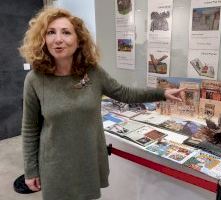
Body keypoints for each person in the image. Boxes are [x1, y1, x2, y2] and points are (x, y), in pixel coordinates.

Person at [19, 7, 184, 200]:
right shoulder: (35, 79)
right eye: (50, 32)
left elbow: (124, 93)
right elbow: (30, 128)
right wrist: (31, 170)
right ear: (43, 39)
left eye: (66, 32)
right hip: (55, 165)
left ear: (79, 39)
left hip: (88, 159)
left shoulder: (93, 72)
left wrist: (162, 93)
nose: (58, 39)